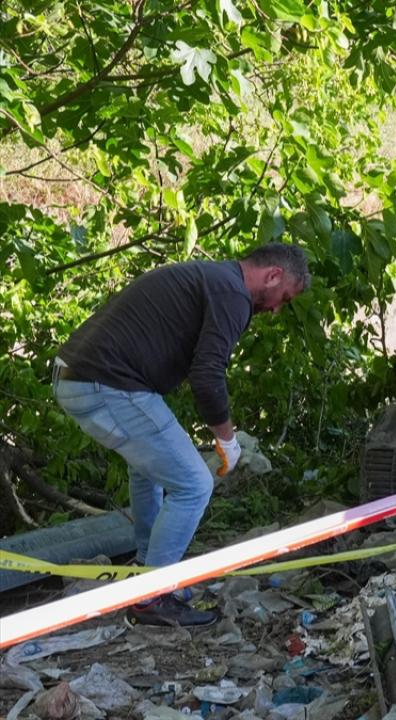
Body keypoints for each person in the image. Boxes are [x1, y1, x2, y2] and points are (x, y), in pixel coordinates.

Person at [53, 243, 310, 626]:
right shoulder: (233, 294)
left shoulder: (215, 277)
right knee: (193, 484)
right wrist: (227, 439)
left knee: (149, 471)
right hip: (105, 382)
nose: (274, 310)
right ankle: (150, 600)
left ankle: (147, 570)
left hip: (76, 375)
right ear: (272, 275)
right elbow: (207, 374)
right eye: (283, 298)